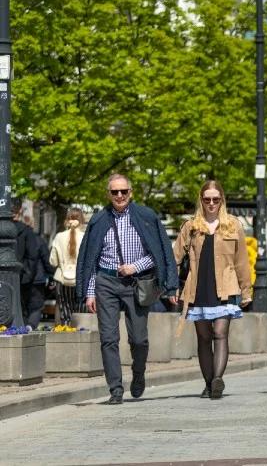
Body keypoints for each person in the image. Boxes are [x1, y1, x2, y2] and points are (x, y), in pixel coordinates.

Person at [77, 173, 180, 405]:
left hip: (137, 283)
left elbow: (159, 253)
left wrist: (135, 266)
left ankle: (139, 373)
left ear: (131, 193)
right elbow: (90, 259)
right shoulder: (99, 219)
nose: (120, 196)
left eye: (124, 191)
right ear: (109, 194)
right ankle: (115, 389)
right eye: (115, 192)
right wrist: (90, 291)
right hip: (106, 281)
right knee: (109, 338)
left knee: (139, 339)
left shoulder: (145, 216)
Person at [173, 180, 252, 400]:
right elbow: (175, 258)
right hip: (198, 288)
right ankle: (208, 383)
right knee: (204, 337)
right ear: (201, 200)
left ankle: (217, 380)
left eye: (215, 199)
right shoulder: (191, 226)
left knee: (220, 333)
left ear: (221, 200)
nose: (211, 203)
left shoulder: (233, 225)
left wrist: (246, 291)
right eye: (207, 199)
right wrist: (172, 287)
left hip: (225, 287)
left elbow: (242, 261)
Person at [49, 208, 86, 326]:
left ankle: (66, 334)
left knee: (65, 310)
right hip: (81, 279)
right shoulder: (85, 237)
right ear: (82, 220)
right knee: (79, 310)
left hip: (62, 279)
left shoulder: (59, 237)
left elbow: (53, 262)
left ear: (67, 220)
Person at [19, 215, 52, 328]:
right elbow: (46, 260)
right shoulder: (39, 240)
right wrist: (51, 275)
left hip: (22, 276)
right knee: (36, 306)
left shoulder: (18, 237)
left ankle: (23, 326)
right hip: (38, 279)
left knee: (23, 304)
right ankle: (31, 326)